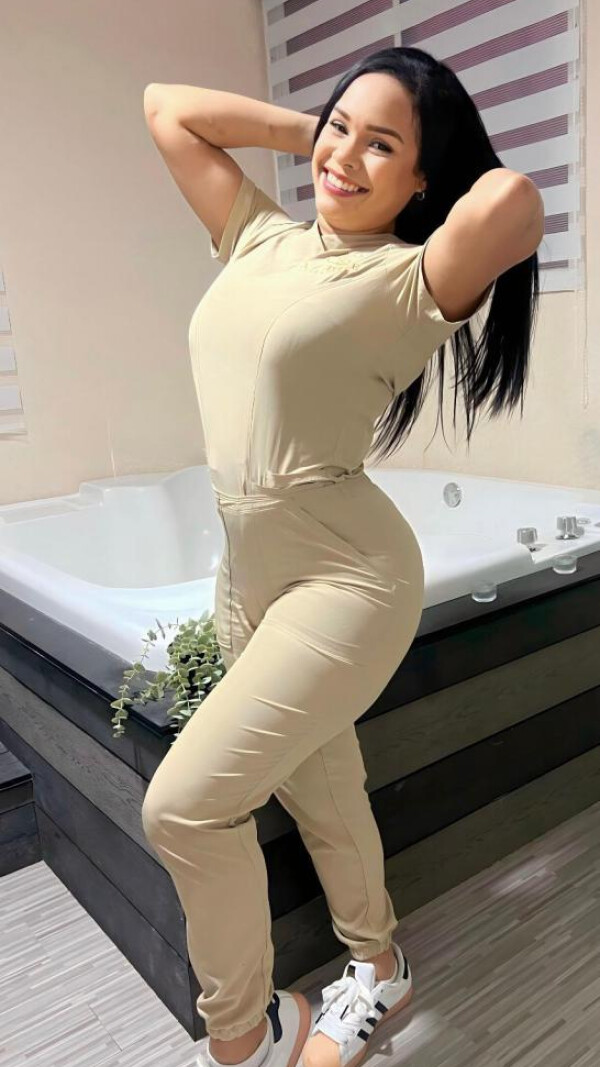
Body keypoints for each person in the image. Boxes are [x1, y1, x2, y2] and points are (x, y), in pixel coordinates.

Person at [141, 46, 544, 1067]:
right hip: (248, 575)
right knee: (320, 787)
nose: (344, 156)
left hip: (346, 576)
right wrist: (318, 134)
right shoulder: (259, 236)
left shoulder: (410, 280)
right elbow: (166, 106)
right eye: (340, 129)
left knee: (185, 807)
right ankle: (380, 965)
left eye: (382, 146)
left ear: (423, 178)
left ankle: (247, 1031)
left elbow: (511, 201)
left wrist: (415, 166)